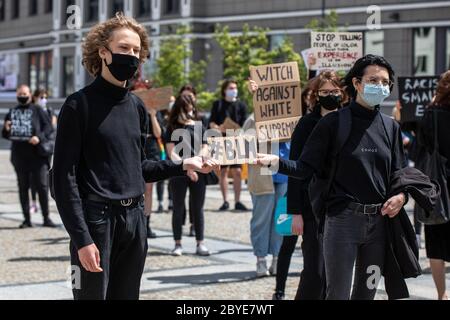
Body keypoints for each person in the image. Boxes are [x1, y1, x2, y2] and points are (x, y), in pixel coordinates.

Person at [52, 13, 217, 300]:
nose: (132, 56)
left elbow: (139, 166)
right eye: (124, 48)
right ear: (103, 52)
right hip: (97, 220)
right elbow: (62, 178)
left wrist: (182, 165)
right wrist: (81, 239)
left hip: (135, 219)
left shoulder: (137, 107)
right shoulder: (78, 105)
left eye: (137, 51)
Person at [257, 54, 408, 300]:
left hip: (379, 225)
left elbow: (399, 174)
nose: (380, 86)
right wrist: (276, 163)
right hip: (342, 222)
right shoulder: (332, 123)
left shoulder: (391, 127)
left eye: (385, 82)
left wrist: (401, 196)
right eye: (373, 80)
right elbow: (305, 167)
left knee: (366, 294)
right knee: (336, 293)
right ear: (357, 83)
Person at [269, 71, 347, 300]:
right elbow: (295, 170)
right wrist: (295, 212)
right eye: (325, 91)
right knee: (315, 271)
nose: (330, 95)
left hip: (341, 206)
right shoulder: (306, 124)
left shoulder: (348, 120)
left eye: (334, 91)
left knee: (335, 273)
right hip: (311, 206)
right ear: (316, 95)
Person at [2, 85, 56, 228]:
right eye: (20, 94)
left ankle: (46, 217)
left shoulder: (37, 110)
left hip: (38, 156)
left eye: (25, 93)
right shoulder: (13, 111)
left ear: (30, 94)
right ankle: (27, 219)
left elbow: (49, 128)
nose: (22, 96)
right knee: (23, 187)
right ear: (16, 95)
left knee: (42, 187)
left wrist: (39, 137)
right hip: (20, 157)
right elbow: (6, 134)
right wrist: (6, 129)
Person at [166, 95, 211, 256]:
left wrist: (196, 163)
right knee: (178, 207)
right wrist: (186, 168)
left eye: (191, 106)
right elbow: (171, 152)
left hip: (198, 172)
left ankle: (200, 242)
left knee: (197, 208)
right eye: (187, 107)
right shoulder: (172, 126)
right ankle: (177, 243)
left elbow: (205, 147)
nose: (190, 110)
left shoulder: (199, 126)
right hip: (178, 172)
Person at [419, 70, 450, 300]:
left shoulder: (432, 113)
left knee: (436, 243)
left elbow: (421, 146)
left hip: (438, 187)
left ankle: (442, 295)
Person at [209, 79, 248, 211]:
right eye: (231, 88)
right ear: (225, 90)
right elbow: (211, 122)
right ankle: (225, 201)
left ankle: (237, 201)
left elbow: (245, 124)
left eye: (235, 88)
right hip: (221, 139)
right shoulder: (217, 104)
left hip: (236, 140)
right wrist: (217, 127)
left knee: (237, 171)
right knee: (223, 171)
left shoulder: (241, 105)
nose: (233, 90)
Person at [143, 106, 165, 239]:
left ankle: (146, 224)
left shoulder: (156, 112)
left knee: (149, 189)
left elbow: (158, 134)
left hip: (151, 148)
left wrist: (152, 116)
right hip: (135, 145)